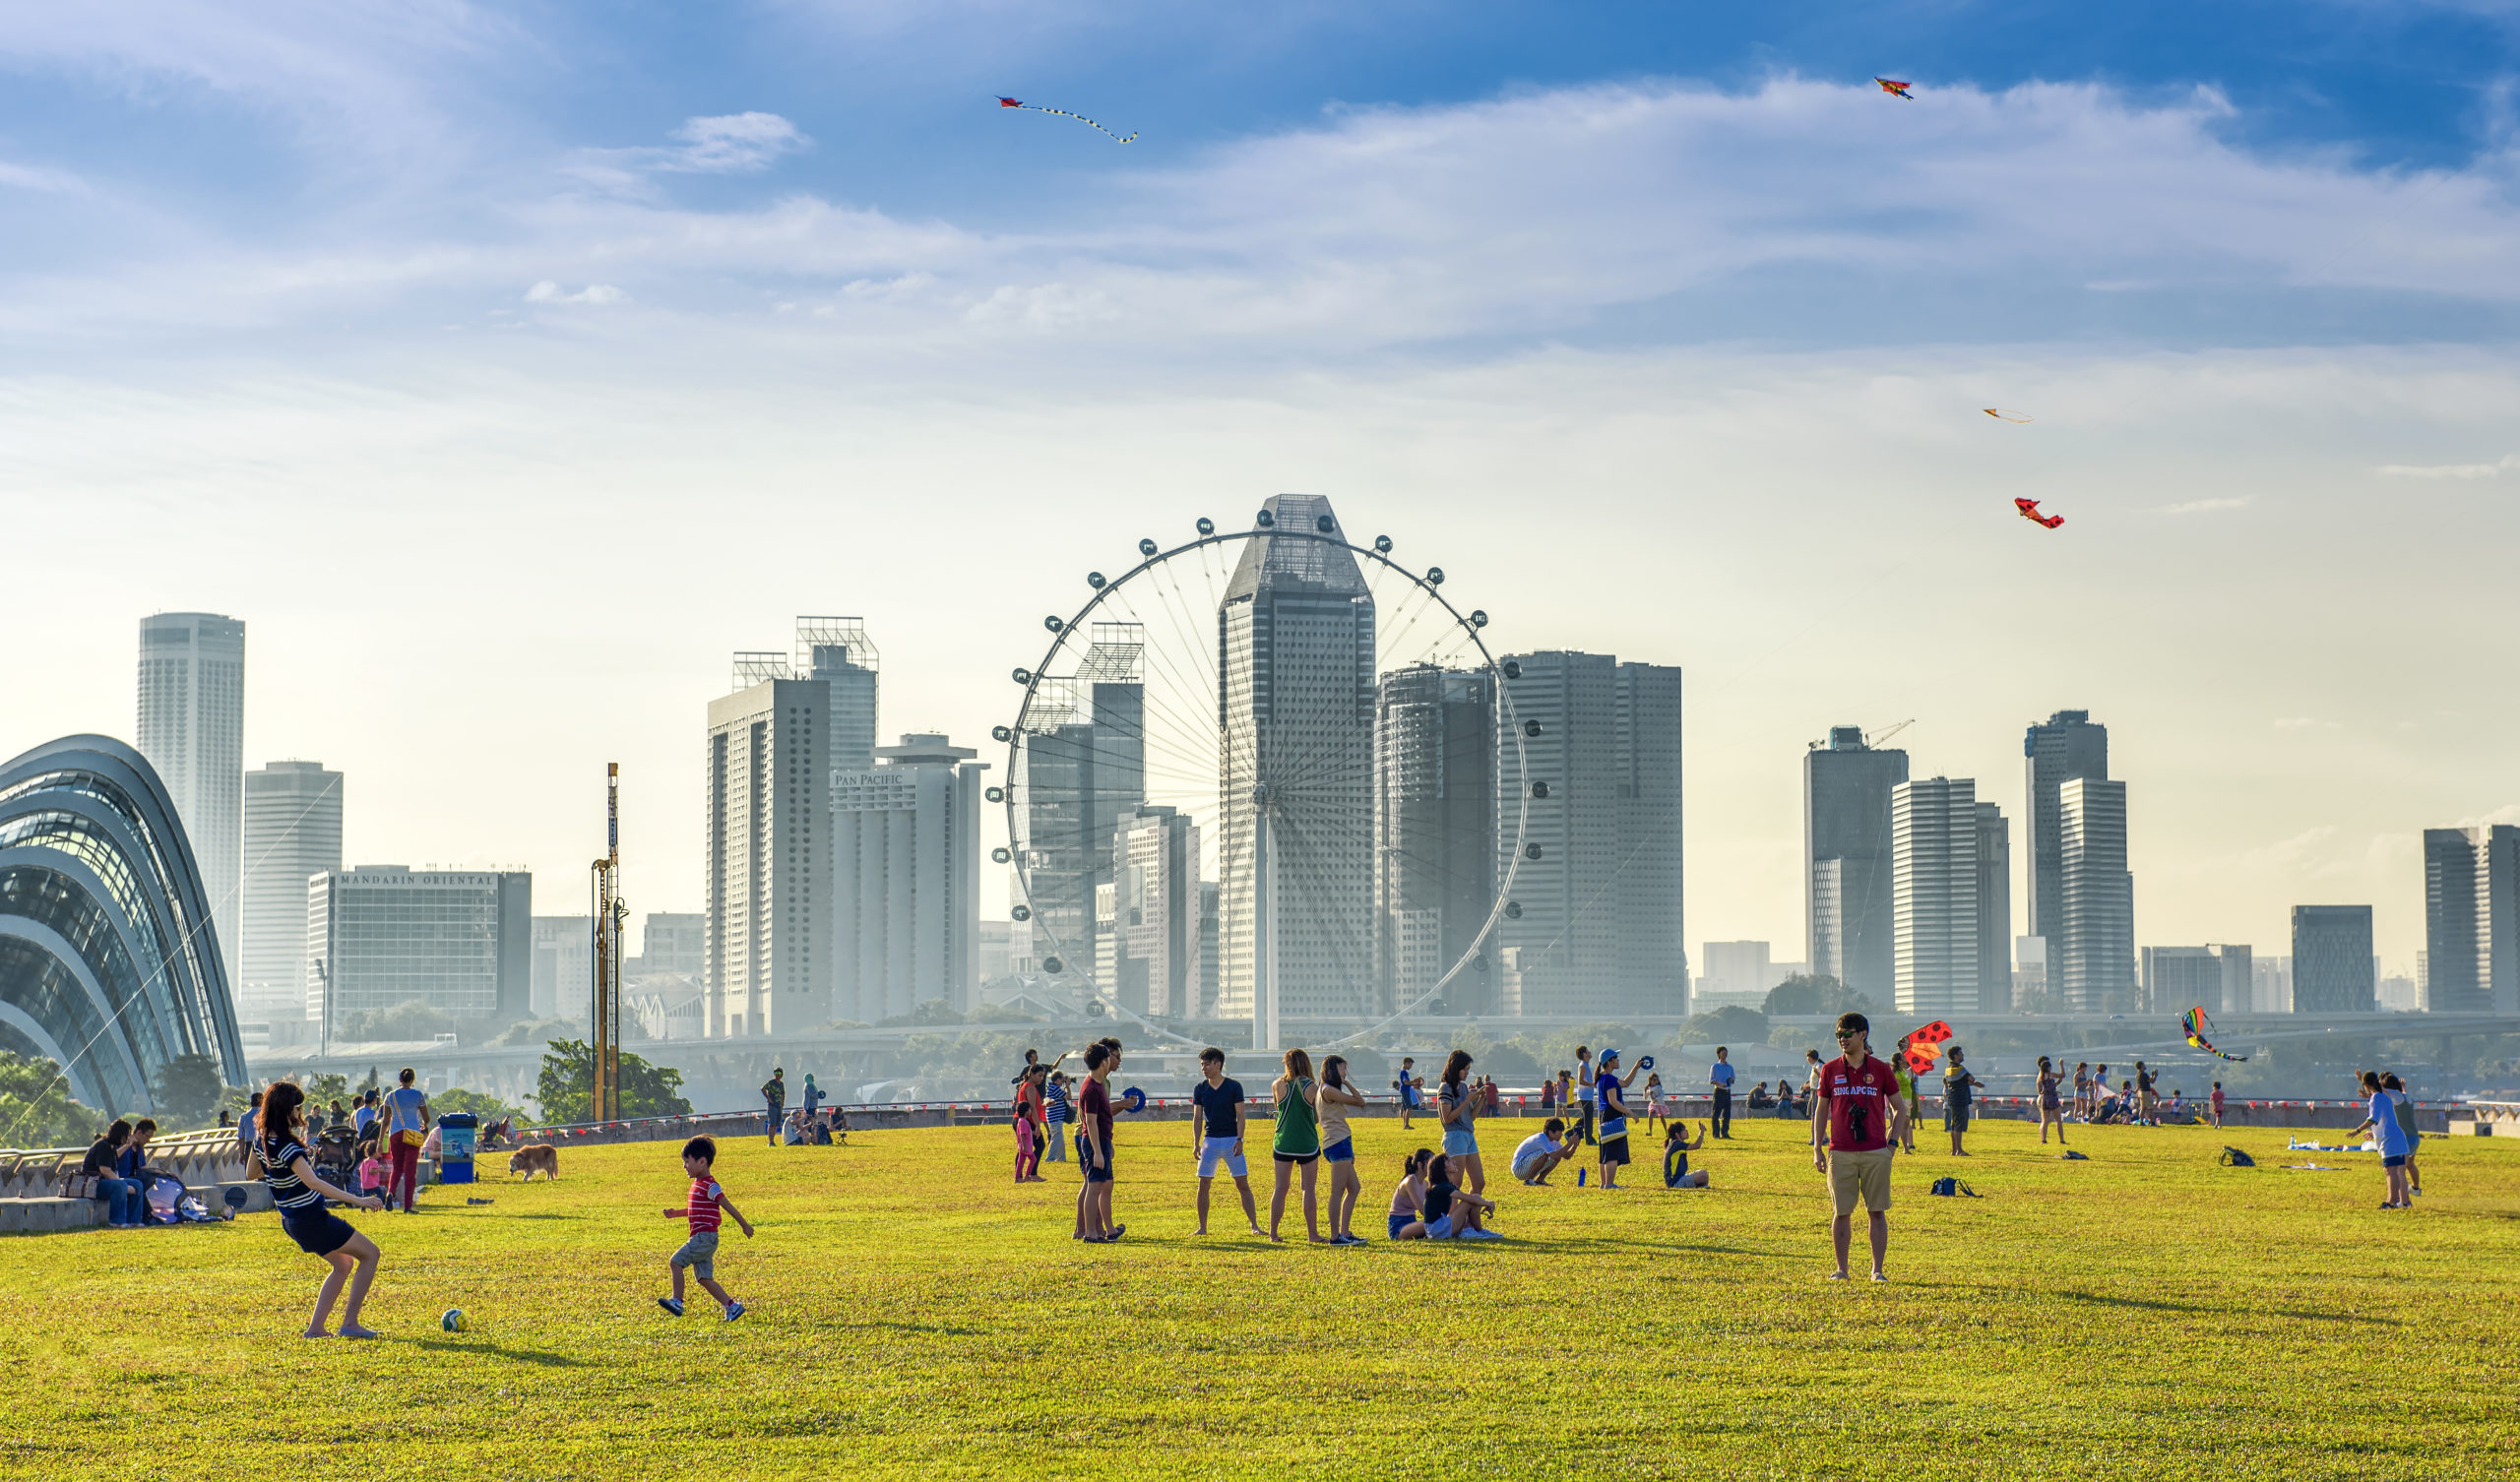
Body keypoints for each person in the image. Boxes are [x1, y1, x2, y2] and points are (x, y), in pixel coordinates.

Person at [250, 1081, 386, 1337]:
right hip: (312, 1219)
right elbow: (313, 1182)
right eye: (298, 1107)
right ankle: (350, 1324)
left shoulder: (262, 1139)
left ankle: (316, 1329)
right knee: (370, 1254)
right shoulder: (288, 1147)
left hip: (292, 1221)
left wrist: (286, 1163)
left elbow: (251, 1172)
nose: (300, 1113)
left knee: (344, 1264)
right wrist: (360, 1200)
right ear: (287, 1110)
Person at [1812, 1012, 1905, 1282]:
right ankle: (1842, 1269)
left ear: (1863, 1034)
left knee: (1876, 1211)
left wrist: (1892, 1144)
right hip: (1840, 1151)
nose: (1842, 1039)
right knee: (1841, 1212)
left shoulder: (1881, 1069)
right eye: (1839, 1035)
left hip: (1876, 1150)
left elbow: (1901, 1109)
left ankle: (1877, 1270)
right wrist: (1818, 1147)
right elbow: (1821, 1111)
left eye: (1847, 1034)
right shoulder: (1830, 1069)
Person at [659, 1136, 752, 1319]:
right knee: (704, 1278)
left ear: (702, 1162)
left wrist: (744, 1225)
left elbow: (727, 1205)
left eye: (687, 1161)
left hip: (704, 1237)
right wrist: (676, 1213)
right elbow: (695, 1210)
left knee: (675, 1262)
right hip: (705, 1238)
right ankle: (732, 1306)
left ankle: (677, 1301)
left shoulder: (710, 1185)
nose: (684, 1166)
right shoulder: (697, 1185)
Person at [1189, 1047, 1261, 1236]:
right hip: (1209, 1141)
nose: (1203, 1068)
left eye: (1206, 1064)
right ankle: (1202, 1228)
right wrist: (1196, 1143)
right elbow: (1197, 1118)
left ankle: (1254, 1226)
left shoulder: (1234, 1087)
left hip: (1231, 1140)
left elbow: (1241, 1116)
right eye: (1202, 1064)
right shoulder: (1200, 1088)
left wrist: (1240, 1139)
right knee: (1203, 1184)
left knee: (1242, 1184)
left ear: (1217, 1064)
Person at [1267, 1048, 1325, 1244]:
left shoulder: (1277, 1085)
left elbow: (1278, 1109)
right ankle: (1312, 1234)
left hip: (1283, 1141)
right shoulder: (1312, 1087)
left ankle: (1273, 1233)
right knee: (1308, 1188)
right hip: (1306, 1142)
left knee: (1280, 1187)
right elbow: (1317, 1117)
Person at [1316, 1055, 1369, 1245]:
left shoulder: (1325, 1089)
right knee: (1337, 1191)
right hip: (1337, 1142)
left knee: (1354, 1188)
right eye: (1342, 1069)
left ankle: (1344, 1232)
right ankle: (1334, 1236)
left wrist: (1345, 1081)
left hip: (1341, 1141)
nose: (1345, 1072)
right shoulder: (1328, 1090)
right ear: (1332, 1070)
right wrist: (1346, 1083)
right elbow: (1360, 1101)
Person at [1076, 1042, 1122, 1242]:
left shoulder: (1098, 1083)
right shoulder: (1092, 1088)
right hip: (1095, 1141)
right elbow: (1091, 1121)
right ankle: (1090, 1233)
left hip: (1103, 1140)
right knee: (1094, 1186)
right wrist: (1097, 1151)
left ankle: (1109, 1230)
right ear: (1104, 1061)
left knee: (1103, 1183)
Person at [2350, 1071, 2414, 1209]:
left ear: (2366, 1085)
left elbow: (2374, 1118)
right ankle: (2402, 1202)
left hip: (2389, 1139)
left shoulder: (2377, 1098)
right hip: (2395, 1137)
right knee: (2396, 1171)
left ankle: (2391, 1202)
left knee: (2390, 1171)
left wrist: (2357, 1130)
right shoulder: (2383, 1097)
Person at [1437, 1050, 1486, 1197]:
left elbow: (1470, 1117)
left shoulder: (1464, 1088)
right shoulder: (1445, 1088)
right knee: (1455, 1183)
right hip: (1455, 1136)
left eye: (1468, 1069)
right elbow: (1447, 1118)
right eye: (1464, 1069)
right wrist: (1466, 1101)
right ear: (1455, 1067)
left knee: (1479, 1183)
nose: (1466, 1073)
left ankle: (1466, 1213)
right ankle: (1452, 1217)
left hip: (1468, 1135)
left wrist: (1480, 1099)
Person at [1419, 1152, 1501, 1240]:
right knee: (1469, 1201)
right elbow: (1471, 1199)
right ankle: (1478, 1231)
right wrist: (1488, 1203)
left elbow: (1473, 1198)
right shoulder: (1442, 1187)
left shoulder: (1446, 1185)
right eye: (1448, 1160)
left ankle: (1473, 1231)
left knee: (1473, 1199)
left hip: (1437, 1229)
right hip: (1437, 1230)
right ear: (1443, 1167)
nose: (1454, 1161)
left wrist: (1485, 1202)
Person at [382, 1069, 429, 1213]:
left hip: (395, 1133)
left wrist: (379, 1141)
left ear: (399, 1080)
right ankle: (407, 1206)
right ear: (412, 1080)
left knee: (397, 1167)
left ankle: (390, 1193)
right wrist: (424, 1125)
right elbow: (426, 1118)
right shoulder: (418, 1095)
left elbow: (385, 1121)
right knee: (410, 1172)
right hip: (412, 1134)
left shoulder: (390, 1096)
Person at [83, 1120, 141, 1229]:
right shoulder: (103, 1146)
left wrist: (128, 1145)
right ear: (120, 1135)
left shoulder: (110, 1146)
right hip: (94, 1184)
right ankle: (117, 1222)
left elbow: (115, 1156)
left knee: (137, 1184)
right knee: (121, 1186)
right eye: (127, 1135)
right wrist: (125, 1186)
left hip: (104, 1182)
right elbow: (105, 1170)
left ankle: (134, 1221)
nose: (129, 1137)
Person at [1595, 1048, 1636, 1189]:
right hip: (1613, 1115)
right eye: (1616, 1058)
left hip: (1603, 1115)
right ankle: (1610, 1184)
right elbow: (1613, 1101)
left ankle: (1604, 1183)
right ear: (1610, 1061)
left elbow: (1625, 1083)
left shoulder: (1602, 1078)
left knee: (1604, 1151)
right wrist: (1629, 1112)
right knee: (1612, 1151)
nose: (1618, 1060)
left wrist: (1636, 1067)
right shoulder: (1610, 1079)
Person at [2383, 1073, 2423, 1198]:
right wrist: (2403, 1086)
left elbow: (2382, 1091)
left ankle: (2402, 1199)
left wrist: (2373, 1082)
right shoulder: (2407, 1096)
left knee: (2400, 1171)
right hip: (2415, 1137)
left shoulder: (2395, 1096)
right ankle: (2416, 1188)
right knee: (2410, 1164)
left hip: (2404, 1139)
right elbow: (2404, 1092)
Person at [1510, 1119, 1580, 1186]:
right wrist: (1569, 1144)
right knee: (1547, 1154)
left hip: (1526, 1166)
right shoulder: (1541, 1138)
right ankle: (1529, 1180)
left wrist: (1574, 1146)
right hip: (1519, 1168)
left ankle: (1539, 1180)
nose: (1561, 1134)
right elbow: (1554, 1155)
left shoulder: (1554, 1141)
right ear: (1551, 1132)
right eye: (1560, 1132)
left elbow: (1566, 1156)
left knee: (1557, 1156)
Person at [1942, 1046, 1983, 1156]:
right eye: (1961, 1053)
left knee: (1954, 1125)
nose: (1962, 1055)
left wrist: (1971, 1083)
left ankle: (1954, 1149)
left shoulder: (1948, 1069)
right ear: (1955, 1055)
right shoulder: (1959, 1068)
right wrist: (1973, 1082)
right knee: (1959, 1125)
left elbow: (1956, 1081)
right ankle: (1959, 1150)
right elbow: (1971, 1078)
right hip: (1961, 1099)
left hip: (1952, 1098)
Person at [1387, 1148, 1434, 1239]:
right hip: (1398, 1226)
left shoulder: (1425, 1184)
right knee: (1430, 1224)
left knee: (1433, 1224)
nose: (1433, 1166)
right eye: (1431, 1163)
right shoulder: (1410, 1180)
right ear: (1420, 1165)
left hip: (1412, 1221)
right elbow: (1422, 1209)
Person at [1013, 1065, 1046, 1184]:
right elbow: (1032, 1108)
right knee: (1040, 1145)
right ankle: (1031, 1174)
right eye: (1039, 1075)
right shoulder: (1030, 1087)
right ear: (1031, 1074)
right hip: (1025, 1120)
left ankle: (1022, 1175)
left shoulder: (1025, 1085)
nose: (1041, 1078)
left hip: (1021, 1119)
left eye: (1043, 1076)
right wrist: (1037, 1126)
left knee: (1023, 1148)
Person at [1663, 1121, 1709, 1189]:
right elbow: (1696, 1146)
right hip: (1675, 1182)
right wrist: (1701, 1132)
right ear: (1677, 1134)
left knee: (1703, 1176)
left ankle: (1700, 1186)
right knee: (1703, 1174)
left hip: (1679, 1179)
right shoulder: (1676, 1144)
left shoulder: (1675, 1144)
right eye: (1684, 1129)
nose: (1687, 1131)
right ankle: (1699, 1186)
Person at [2036, 1056, 2068, 1146]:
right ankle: (2061, 1140)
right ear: (2048, 1068)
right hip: (2053, 1098)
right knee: (2058, 1120)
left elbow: (2040, 1090)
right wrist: (2061, 1065)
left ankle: (2043, 1139)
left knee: (2045, 1120)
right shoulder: (2050, 1074)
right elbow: (2063, 1075)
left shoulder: (2040, 1077)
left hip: (2045, 1099)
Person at [1890, 1056, 1919, 1154]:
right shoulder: (1897, 1073)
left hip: (1907, 1100)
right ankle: (1905, 1148)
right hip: (1902, 1100)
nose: (1905, 1058)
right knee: (1901, 1123)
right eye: (1903, 1058)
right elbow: (1896, 1087)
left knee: (1905, 1124)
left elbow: (1909, 1081)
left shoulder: (1903, 1071)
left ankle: (1903, 1147)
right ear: (1899, 1061)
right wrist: (1900, 1102)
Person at [1042, 1071, 1072, 1163]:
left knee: (1059, 1138)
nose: (1063, 1081)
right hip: (1055, 1118)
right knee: (1056, 1138)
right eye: (1062, 1079)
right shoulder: (1054, 1088)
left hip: (1055, 1118)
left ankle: (1061, 1158)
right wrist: (1067, 1086)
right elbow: (1069, 1096)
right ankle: (1050, 1158)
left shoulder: (1053, 1088)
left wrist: (1066, 1086)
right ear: (1057, 1080)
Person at [1708, 1047, 1736, 1139]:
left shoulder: (1730, 1067)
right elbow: (1711, 1080)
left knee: (1727, 1114)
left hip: (1727, 1092)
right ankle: (1716, 1134)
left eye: (1726, 1053)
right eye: (1723, 1053)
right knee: (1716, 1113)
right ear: (1719, 1054)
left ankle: (1725, 1133)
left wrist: (1731, 1080)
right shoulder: (1715, 1066)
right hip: (1719, 1091)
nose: (1725, 1055)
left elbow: (1733, 1080)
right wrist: (1720, 1084)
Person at [1573, 1047, 1596, 1146]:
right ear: (1584, 1054)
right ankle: (1589, 1140)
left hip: (1587, 1096)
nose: (1589, 1052)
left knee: (1585, 1118)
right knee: (1588, 1120)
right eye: (1587, 1051)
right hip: (1584, 1096)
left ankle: (1571, 1133)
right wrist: (1592, 1084)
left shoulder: (1586, 1065)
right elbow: (1580, 1081)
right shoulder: (1583, 1066)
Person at [761, 1068, 788, 1147]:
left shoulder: (781, 1084)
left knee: (776, 1124)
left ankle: (773, 1140)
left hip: (779, 1106)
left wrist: (782, 1103)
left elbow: (783, 1094)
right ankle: (770, 1141)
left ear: (782, 1075)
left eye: (779, 1073)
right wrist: (768, 1098)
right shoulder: (771, 1082)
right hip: (772, 1106)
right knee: (771, 1124)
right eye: (776, 1072)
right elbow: (763, 1088)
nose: (777, 1074)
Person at [357, 1140, 389, 1204]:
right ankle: (379, 1203)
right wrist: (379, 1169)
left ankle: (363, 1208)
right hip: (372, 1184)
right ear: (374, 1152)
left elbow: (360, 1170)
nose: (380, 1154)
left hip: (364, 1184)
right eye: (379, 1152)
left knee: (365, 1197)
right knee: (380, 1192)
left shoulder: (364, 1161)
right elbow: (371, 1170)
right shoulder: (374, 1162)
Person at [1395, 1057, 1419, 1130]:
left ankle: (1405, 1124)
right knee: (1409, 1107)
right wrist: (1414, 1081)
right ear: (1406, 1063)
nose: (1411, 1066)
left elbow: (1406, 1083)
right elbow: (1406, 1082)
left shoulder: (1402, 1071)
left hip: (1404, 1089)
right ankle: (1406, 1125)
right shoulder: (1404, 1072)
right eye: (1410, 1064)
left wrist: (1413, 1083)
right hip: (1405, 1090)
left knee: (1406, 1108)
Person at [2134, 1060, 2156, 1124]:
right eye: (2143, 1064)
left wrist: (2152, 1075)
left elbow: (2148, 1080)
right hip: (2146, 1092)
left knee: (2143, 1108)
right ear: (2141, 1066)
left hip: (2140, 1092)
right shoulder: (2144, 1074)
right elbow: (2152, 1081)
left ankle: (2141, 1121)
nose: (2145, 1065)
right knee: (2150, 1108)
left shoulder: (2138, 1074)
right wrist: (2155, 1075)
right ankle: (2151, 1121)